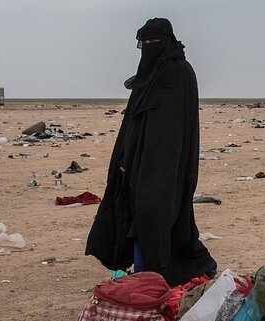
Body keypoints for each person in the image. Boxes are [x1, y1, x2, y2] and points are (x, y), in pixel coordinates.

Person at [86, 17, 216, 287]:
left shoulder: (179, 74)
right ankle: (147, 271)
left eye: (152, 43)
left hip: (169, 164)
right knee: (136, 212)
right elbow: (134, 123)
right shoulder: (148, 76)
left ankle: (160, 271)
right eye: (143, 43)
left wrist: (151, 162)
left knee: (159, 213)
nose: (147, 48)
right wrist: (126, 158)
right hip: (137, 163)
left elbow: (174, 128)